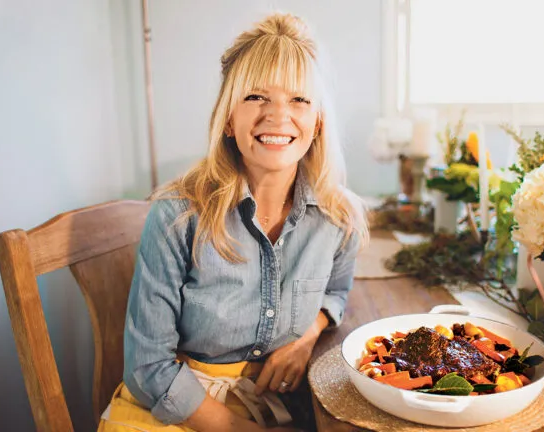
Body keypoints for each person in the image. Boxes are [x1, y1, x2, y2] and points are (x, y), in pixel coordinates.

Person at [98, 12, 369, 432]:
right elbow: (148, 365)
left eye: (298, 99)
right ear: (228, 118)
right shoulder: (176, 215)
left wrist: (308, 336)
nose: (278, 117)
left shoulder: (339, 219)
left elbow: (336, 291)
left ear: (317, 122)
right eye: (256, 97)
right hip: (173, 410)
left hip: (271, 409)